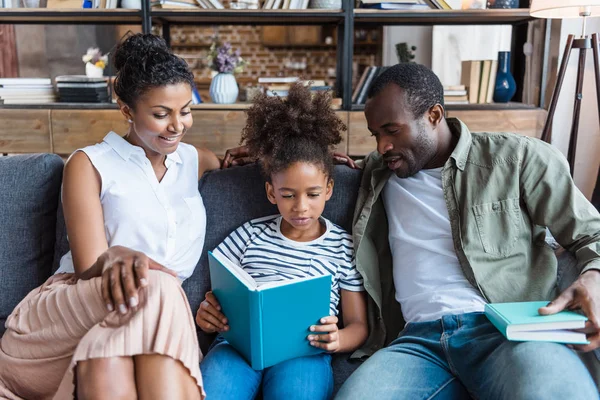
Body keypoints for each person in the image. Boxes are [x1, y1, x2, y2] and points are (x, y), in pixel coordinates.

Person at [331, 63, 600, 399]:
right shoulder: (379, 172)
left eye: (392, 130)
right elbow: (304, 172)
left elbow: (592, 233)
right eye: (375, 135)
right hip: (417, 344)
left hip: (508, 332)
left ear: (433, 115)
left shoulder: (516, 158)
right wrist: (259, 156)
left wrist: (592, 278)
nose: (382, 145)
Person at [0, 33, 222, 400]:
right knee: (159, 284)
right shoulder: (90, 163)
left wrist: (266, 159)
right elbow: (88, 264)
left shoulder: (193, 160)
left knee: (153, 300)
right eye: (161, 114)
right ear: (127, 111)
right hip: (71, 312)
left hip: (148, 320)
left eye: (185, 110)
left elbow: (233, 161)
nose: (177, 126)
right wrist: (116, 255)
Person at [196, 82, 369, 400]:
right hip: (238, 346)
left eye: (313, 194)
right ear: (271, 193)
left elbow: (358, 324)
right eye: (288, 195)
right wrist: (207, 312)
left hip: (304, 351)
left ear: (329, 189)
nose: (301, 207)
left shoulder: (343, 246)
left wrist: (338, 340)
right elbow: (217, 289)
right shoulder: (248, 235)